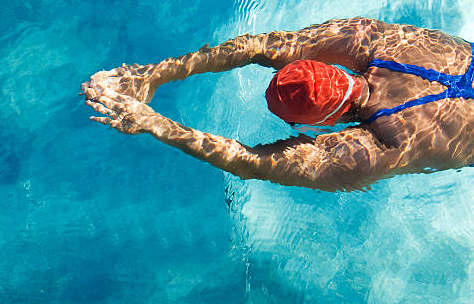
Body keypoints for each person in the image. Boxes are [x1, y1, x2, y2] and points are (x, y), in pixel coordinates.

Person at [81, 17, 474, 191]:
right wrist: (153, 74)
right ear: (327, 66)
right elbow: (259, 46)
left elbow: (251, 162)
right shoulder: (380, 42)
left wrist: (152, 123)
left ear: (324, 123)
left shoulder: (385, 146)